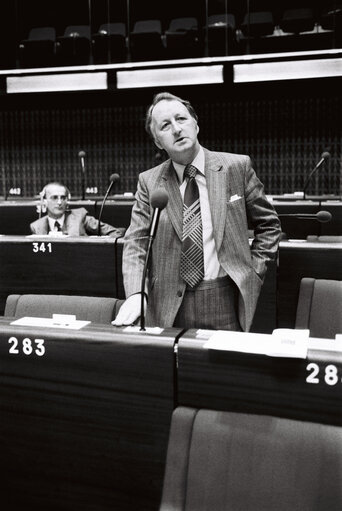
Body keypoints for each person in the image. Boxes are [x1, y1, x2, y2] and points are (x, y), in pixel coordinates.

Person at [112, 92, 281, 331]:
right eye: (165, 125)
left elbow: (269, 225)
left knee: (224, 367)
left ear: (196, 124)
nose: (177, 129)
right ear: (158, 141)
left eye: (181, 119)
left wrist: (253, 272)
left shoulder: (236, 167)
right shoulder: (149, 182)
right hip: (167, 304)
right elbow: (136, 242)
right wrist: (136, 294)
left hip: (225, 296)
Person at [30, 181, 124, 237]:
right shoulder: (36, 226)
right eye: (54, 198)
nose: (59, 202)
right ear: (44, 201)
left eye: (63, 198)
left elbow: (116, 232)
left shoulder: (80, 217)